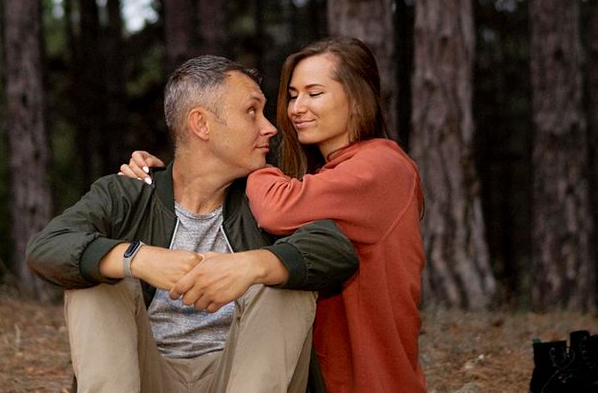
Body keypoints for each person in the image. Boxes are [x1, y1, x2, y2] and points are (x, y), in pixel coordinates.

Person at [27, 55, 360, 393]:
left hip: (239, 378)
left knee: (281, 284)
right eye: (251, 111)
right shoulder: (127, 193)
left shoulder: (267, 195)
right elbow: (47, 247)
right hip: (147, 377)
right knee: (98, 281)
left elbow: (336, 249)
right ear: (201, 124)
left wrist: (252, 266)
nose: (270, 127)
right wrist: (137, 258)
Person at [123, 37, 426, 392]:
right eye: (294, 95)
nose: (297, 108)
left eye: (314, 93)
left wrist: (246, 161)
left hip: (371, 379)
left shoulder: (381, 166)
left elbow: (276, 209)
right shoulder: (325, 176)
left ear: (358, 99)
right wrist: (167, 174)